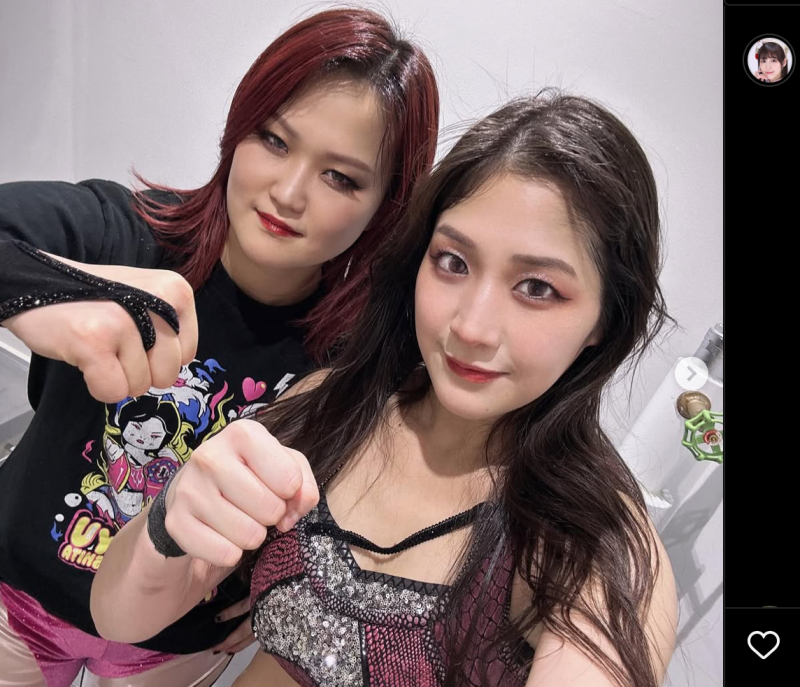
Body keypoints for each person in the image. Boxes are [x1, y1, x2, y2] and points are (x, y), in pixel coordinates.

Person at [92, 90, 679, 687]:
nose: (471, 328)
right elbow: (120, 617)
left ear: (604, 319)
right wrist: (171, 513)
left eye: (537, 288)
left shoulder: (596, 551)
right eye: (453, 262)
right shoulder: (334, 406)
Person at [0, 8, 439, 686]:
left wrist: (279, 590)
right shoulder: (126, 236)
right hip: (17, 597)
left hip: (174, 646)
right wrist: (37, 295)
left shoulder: (358, 357)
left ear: (385, 205)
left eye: (341, 178)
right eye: (274, 139)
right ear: (239, 129)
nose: (287, 193)